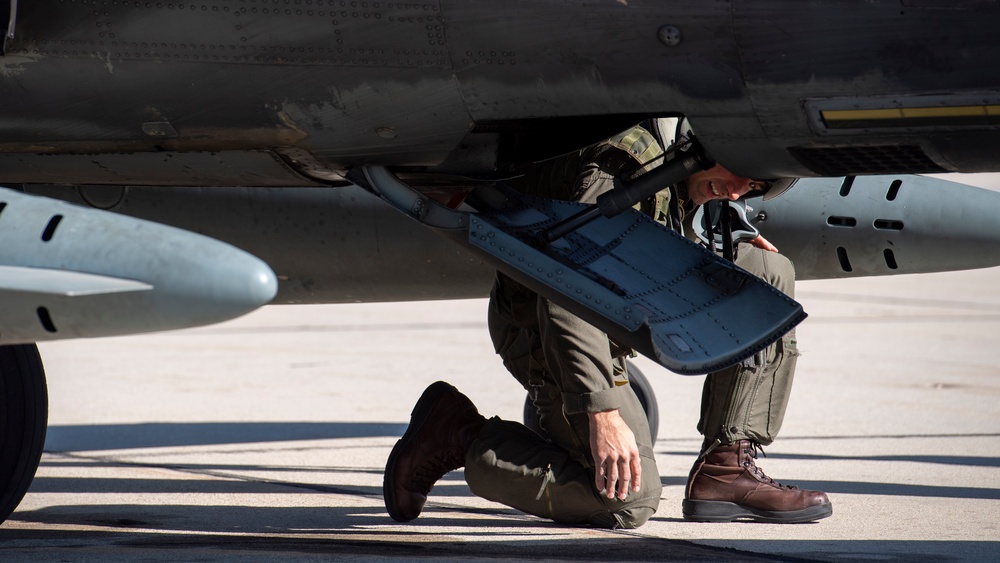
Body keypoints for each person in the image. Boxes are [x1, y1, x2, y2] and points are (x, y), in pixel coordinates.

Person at [383, 118, 832, 528]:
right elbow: (563, 293)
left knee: (768, 272)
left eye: (750, 186)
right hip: (549, 336)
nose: (736, 191)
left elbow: (684, 218)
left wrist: (726, 219)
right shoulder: (621, 175)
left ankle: (726, 467)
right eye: (736, 174)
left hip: (600, 325)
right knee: (628, 502)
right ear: (705, 142)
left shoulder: (680, 172)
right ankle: (459, 434)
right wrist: (602, 408)